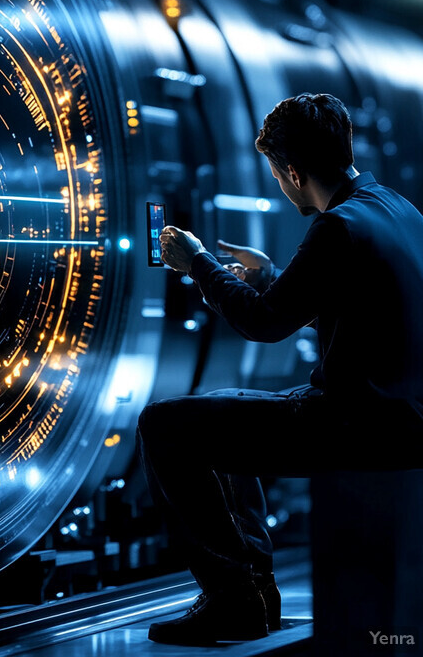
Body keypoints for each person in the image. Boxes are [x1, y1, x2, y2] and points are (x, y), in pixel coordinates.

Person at [137, 92, 423, 646]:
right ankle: (254, 594)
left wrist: (198, 264)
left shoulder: (336, 227)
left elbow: (264, 324)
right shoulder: (395, 208)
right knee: (226, 413)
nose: (277, 182)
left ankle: (231, 598)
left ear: (292, 170)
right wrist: (271, 277)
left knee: (164, 426)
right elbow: (361, 312)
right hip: (402, 415)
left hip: (357, 424)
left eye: (275, 171)